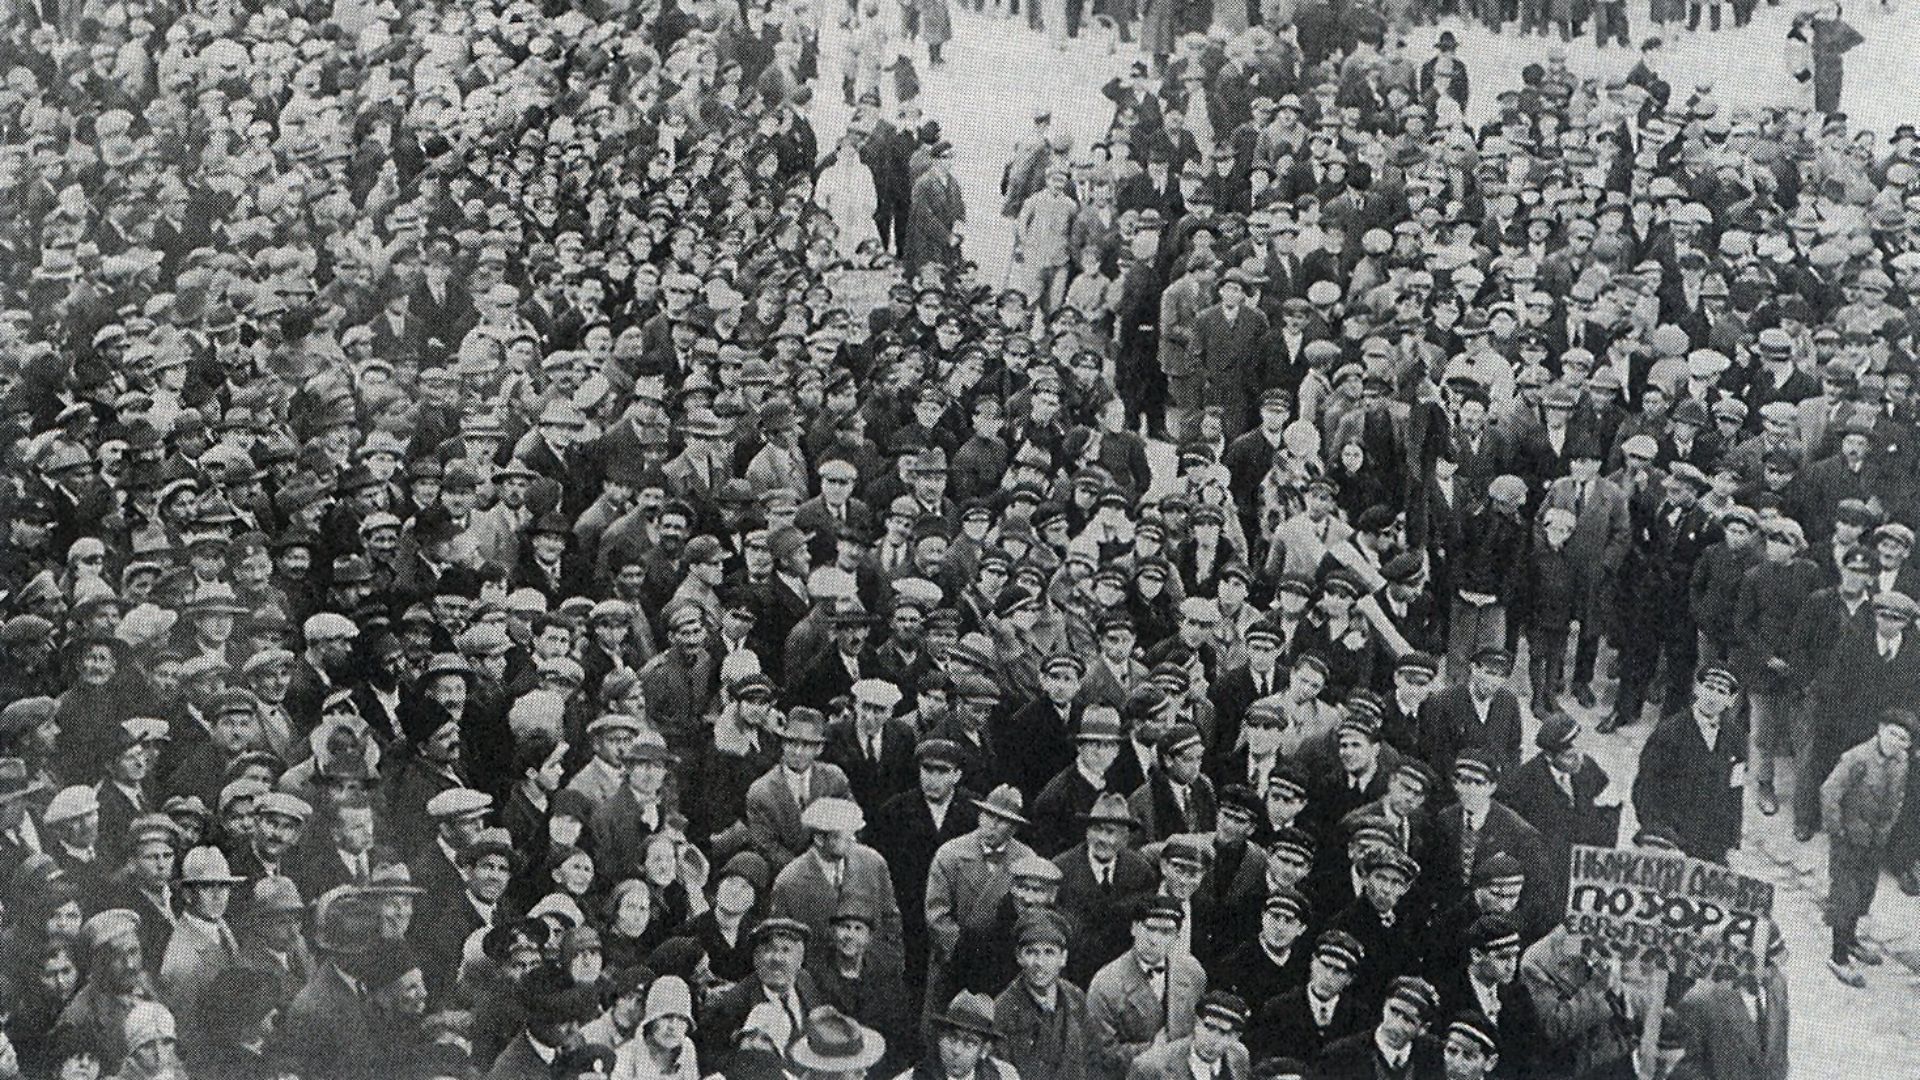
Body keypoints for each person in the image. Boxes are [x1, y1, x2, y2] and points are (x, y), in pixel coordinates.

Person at [1821, 709, 1915, 987]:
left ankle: (1850, 940)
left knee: (1864, 894)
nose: (1897, 742)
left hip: (1875, 841)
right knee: (1844, 897)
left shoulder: (1902, 761)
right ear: (1880, 729)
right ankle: (1838, 957)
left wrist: (1886, 829)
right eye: (1893, 733)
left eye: (1904, 739)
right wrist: (1837, 831)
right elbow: (1829, 792)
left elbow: (1898, 797)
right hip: (1849, 840)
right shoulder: (1856, 758)